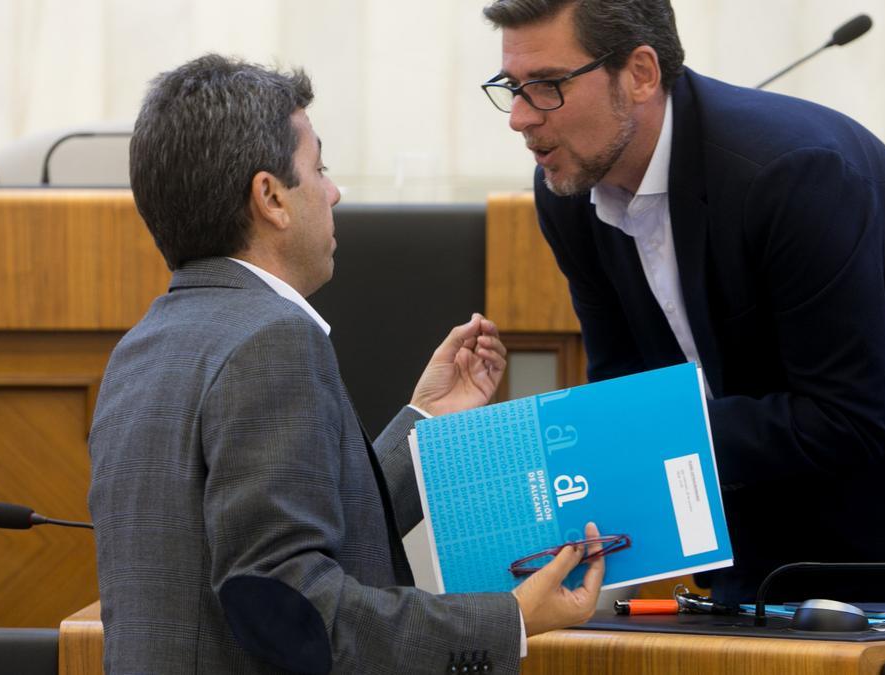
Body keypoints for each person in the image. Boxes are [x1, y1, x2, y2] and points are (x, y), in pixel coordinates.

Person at [481, 0, 885, 610]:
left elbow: (845, 418)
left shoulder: (792, 171)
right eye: (511, 88)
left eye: (547, 87)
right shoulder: (570, 189)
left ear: (640, 73)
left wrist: (641, 432)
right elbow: (628, 383)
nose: (520, 118)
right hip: (765, 542)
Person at [88, 54, 602, 674]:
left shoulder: (143, 345)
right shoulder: (272, 339)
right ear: (271, 197)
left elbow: (287, 527)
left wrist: (426, 420)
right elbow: (290, 607)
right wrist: (511, 616)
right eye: (319, 168)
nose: (334, 192)